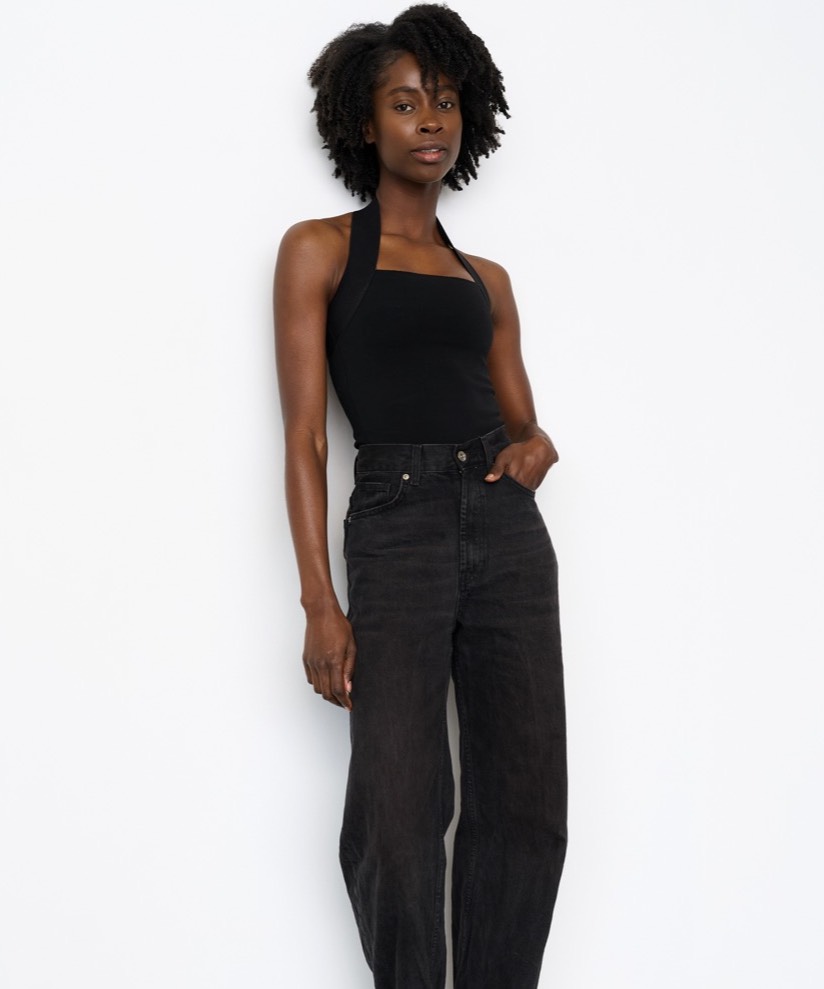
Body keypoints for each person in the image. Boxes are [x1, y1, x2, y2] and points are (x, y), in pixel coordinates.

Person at [273, 5, 567, 987]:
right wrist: (320, 603)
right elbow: (306, 436)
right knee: (396, 814)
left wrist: (535, 448)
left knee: (525, 805)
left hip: (505, 531)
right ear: (365, 124)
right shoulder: (319, 249)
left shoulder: (486, 279)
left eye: (443, 102)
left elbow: (524, 423)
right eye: (403, 104)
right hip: (395, 525)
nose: (428, 120)